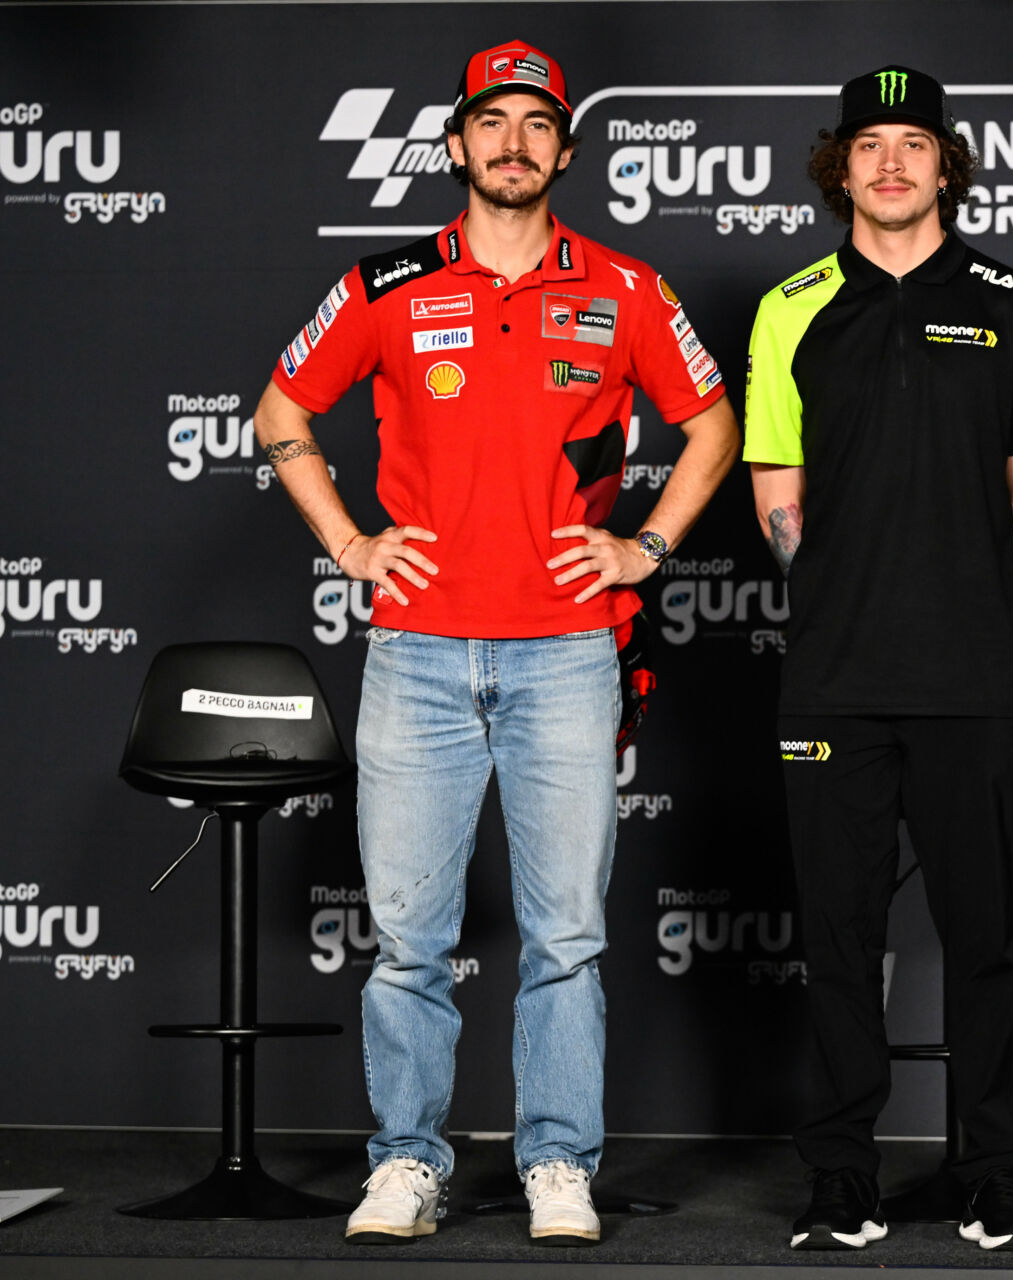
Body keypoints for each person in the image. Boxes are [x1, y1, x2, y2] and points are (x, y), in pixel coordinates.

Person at [252, 40, 739, 1245]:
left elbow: (713, 422)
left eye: (536, 123)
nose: (513, 142)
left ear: (565, 150)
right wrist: (352, 541)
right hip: (417, 650)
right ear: (457, 145)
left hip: (568, 649)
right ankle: (407, 1161)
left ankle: (558, 1162)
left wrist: (650, 544)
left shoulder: (626, 288)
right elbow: (282, 415)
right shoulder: (387, 286)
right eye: (492, 122)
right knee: (409, 937)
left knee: (566, 932)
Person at [743, 64, 1013, 1253]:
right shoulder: (790, 304)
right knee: (837, 937)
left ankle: (998, 1176)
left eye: (914, 143)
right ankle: (842, 1178)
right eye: (870, 143)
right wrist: (851, 598)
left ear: (945, 163)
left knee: (985, 937)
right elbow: (779, 495)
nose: (892, 162)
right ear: (842, 165)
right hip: (832, 676)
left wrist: (951, 598)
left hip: (976, 674)